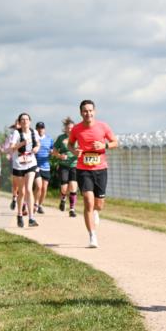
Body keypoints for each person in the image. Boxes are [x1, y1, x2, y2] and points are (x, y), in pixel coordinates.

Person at [67, 100, 118, 248]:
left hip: (101, 169)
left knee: (99, 205)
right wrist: (74, 151)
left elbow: (115, 142)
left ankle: (96, 211)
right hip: (83, 169)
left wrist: (104, 145)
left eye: (90, 110)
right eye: (85, 111)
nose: (88, 113)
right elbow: (70, 144)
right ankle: (92, 236)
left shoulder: (103, 126)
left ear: (94, 111)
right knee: (88, 201)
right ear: (81, 113)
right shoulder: (76, 129)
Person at [4, 113, 40, 228]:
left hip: (31, 163)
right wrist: (22, 143)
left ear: (30, 121)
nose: (25, 121)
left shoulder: (34, 132)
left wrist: (36, 148)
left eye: (27, 119)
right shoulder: (16, 133)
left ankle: (31, 218)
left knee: (29, 189)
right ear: (19, 122)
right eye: (22, 119)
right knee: (22, 192)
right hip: (19, 164)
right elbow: (12, 148)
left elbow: (38, 144)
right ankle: (19, 214)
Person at [53, 117, 79, 217]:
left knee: (73, 187)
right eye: (68, 128)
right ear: (65, 128)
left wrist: (79, 154)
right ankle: (63, 199)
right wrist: (60, 156)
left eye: (72, 128)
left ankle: (72, 209)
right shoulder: (61, 138)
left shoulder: (78, 138)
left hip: (75, 165)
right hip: (64, 165)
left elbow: (81, 149)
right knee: (64, 188)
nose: (70, 129)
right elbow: (54, 151)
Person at [33, 121, 54, 215]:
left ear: (44, 129)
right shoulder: (33, 139)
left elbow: (53, 150)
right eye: (38, 128)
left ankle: (40, 205)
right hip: (35, 166)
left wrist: (52, 152)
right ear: (36, 129)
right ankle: (34, 203)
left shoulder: (49, 139)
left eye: (42, 128)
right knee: (38, 186)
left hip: (46, 166)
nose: (40, 130)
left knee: (44, 188)